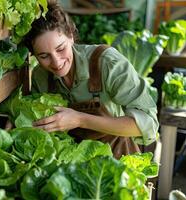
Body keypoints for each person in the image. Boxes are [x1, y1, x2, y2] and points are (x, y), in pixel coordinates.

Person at [23, 0, 159, 158]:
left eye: (61, 49)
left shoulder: (107, 62)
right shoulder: (41, 76)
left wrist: (80, 120)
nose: (56, 62)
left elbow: (147, 123)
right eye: (44, 56)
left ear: (71, 36)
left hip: (117, 158)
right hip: (69, 162)